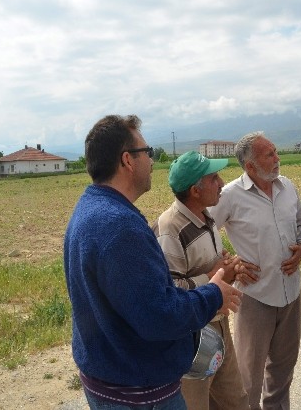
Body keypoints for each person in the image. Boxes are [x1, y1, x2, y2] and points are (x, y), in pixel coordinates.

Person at [64, 115, 241, 410]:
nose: (153, 161)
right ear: (127, 160)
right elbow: (159, 317)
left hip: (110, 379)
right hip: (139, 392)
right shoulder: (121, 226)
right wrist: (213, 294)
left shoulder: (90, 209)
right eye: (147, 152)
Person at [209, 132, 301, 410]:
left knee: (282, 374)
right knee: (248, 381)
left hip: (291, 293)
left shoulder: (287, 186)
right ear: (250, 166)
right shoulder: (229, 196)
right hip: (255, 297)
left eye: (276, 151)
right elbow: (204, 232)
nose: (278, 158)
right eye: (270, 155)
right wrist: (229, 263)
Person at [153, 151, 250, 410]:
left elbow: (212, 266)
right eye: (214, 177)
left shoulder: (206, 218)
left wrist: (228, 268)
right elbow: (171, 291)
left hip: (218, 325)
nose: (221, 183)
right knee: (196, 404)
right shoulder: (170, 228)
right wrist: (214, 276)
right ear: (196, 191)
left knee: (236, 401)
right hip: (192, 337)